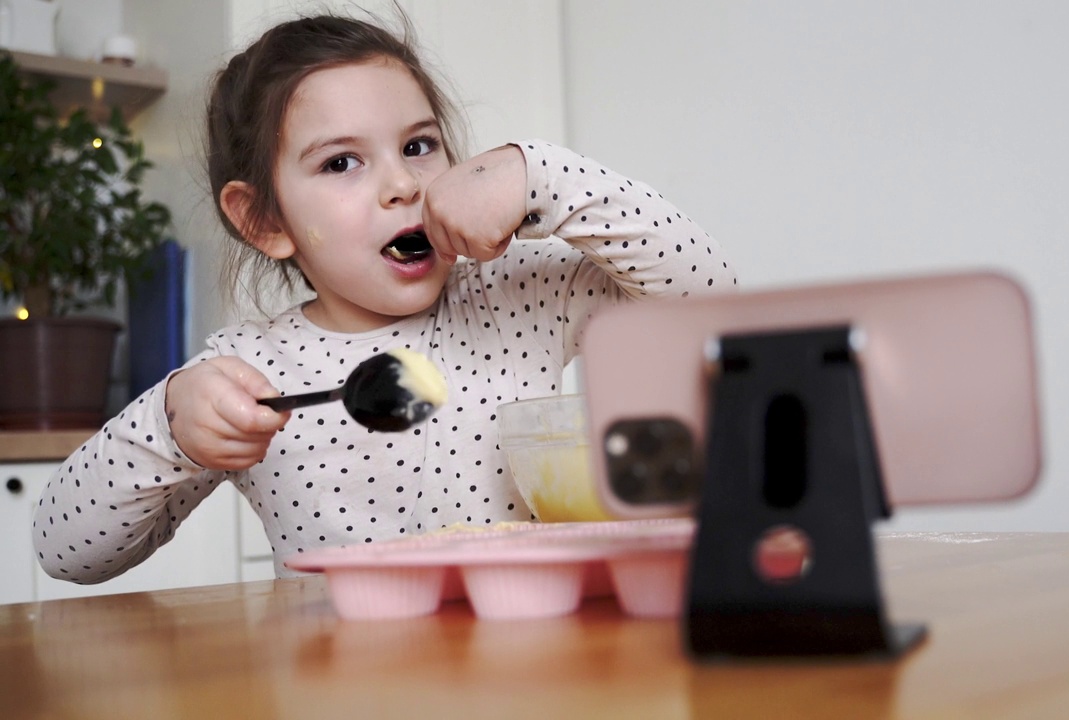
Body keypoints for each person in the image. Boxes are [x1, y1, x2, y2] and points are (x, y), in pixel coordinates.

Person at [32, 12, 736, 583]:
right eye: (341, 162)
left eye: (420, 146)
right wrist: (170, 423)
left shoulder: (520, 294)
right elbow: (66, 550)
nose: (402, 184)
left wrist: (539, 175)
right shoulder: (250, 373)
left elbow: (712, 307)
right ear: (264, 220)